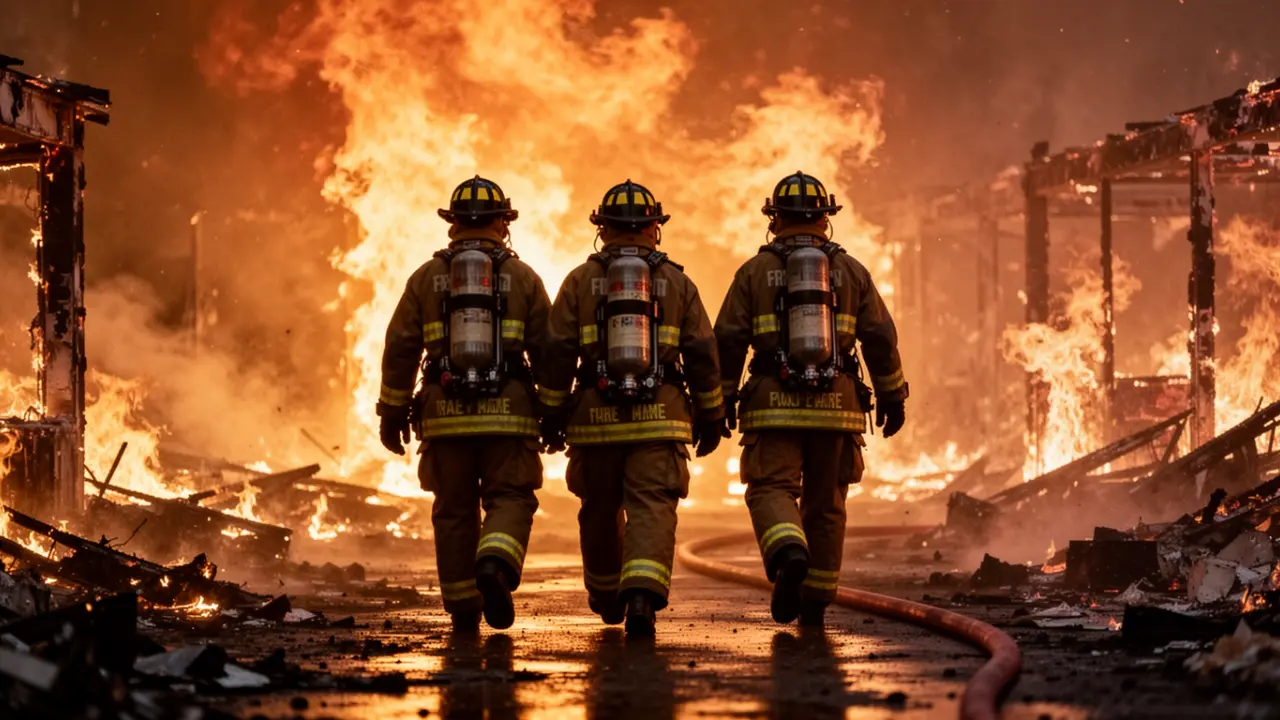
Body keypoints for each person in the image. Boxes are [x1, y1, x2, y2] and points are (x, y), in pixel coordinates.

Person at [714, 171, 908, 627]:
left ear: (775, 219)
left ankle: (788, 551)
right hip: (837, 407)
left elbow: (727, 340)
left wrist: (719, 400)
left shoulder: (754, 272)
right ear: (825, 218)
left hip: (773, 405)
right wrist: (892, 394)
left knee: (771, 487)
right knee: (827, 504)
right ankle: (815, 602)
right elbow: (880, 337)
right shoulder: (852, 271)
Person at [537, 180, 728, 636]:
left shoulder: (579, 281)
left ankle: (606, 595)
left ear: (601, 229)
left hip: (595, 421)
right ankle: (641, 595)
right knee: (652, 507)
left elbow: (557, 350)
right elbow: (702, 352)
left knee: (599, 508)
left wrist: (552, 413)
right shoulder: (678, 282)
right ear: (653, 229)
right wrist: (712, 415)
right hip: (660, 420)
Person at [377, 176, 550, 633]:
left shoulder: (425, 277)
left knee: (453, 509)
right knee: (510, 496)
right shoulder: (524, 278)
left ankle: (463, 609)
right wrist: (553, 410)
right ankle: (495, 563)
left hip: (444, 415)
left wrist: (392, 411)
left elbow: (401, 347)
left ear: (452, 223)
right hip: (508, 416)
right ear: (502, 222)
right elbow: (549, 349)